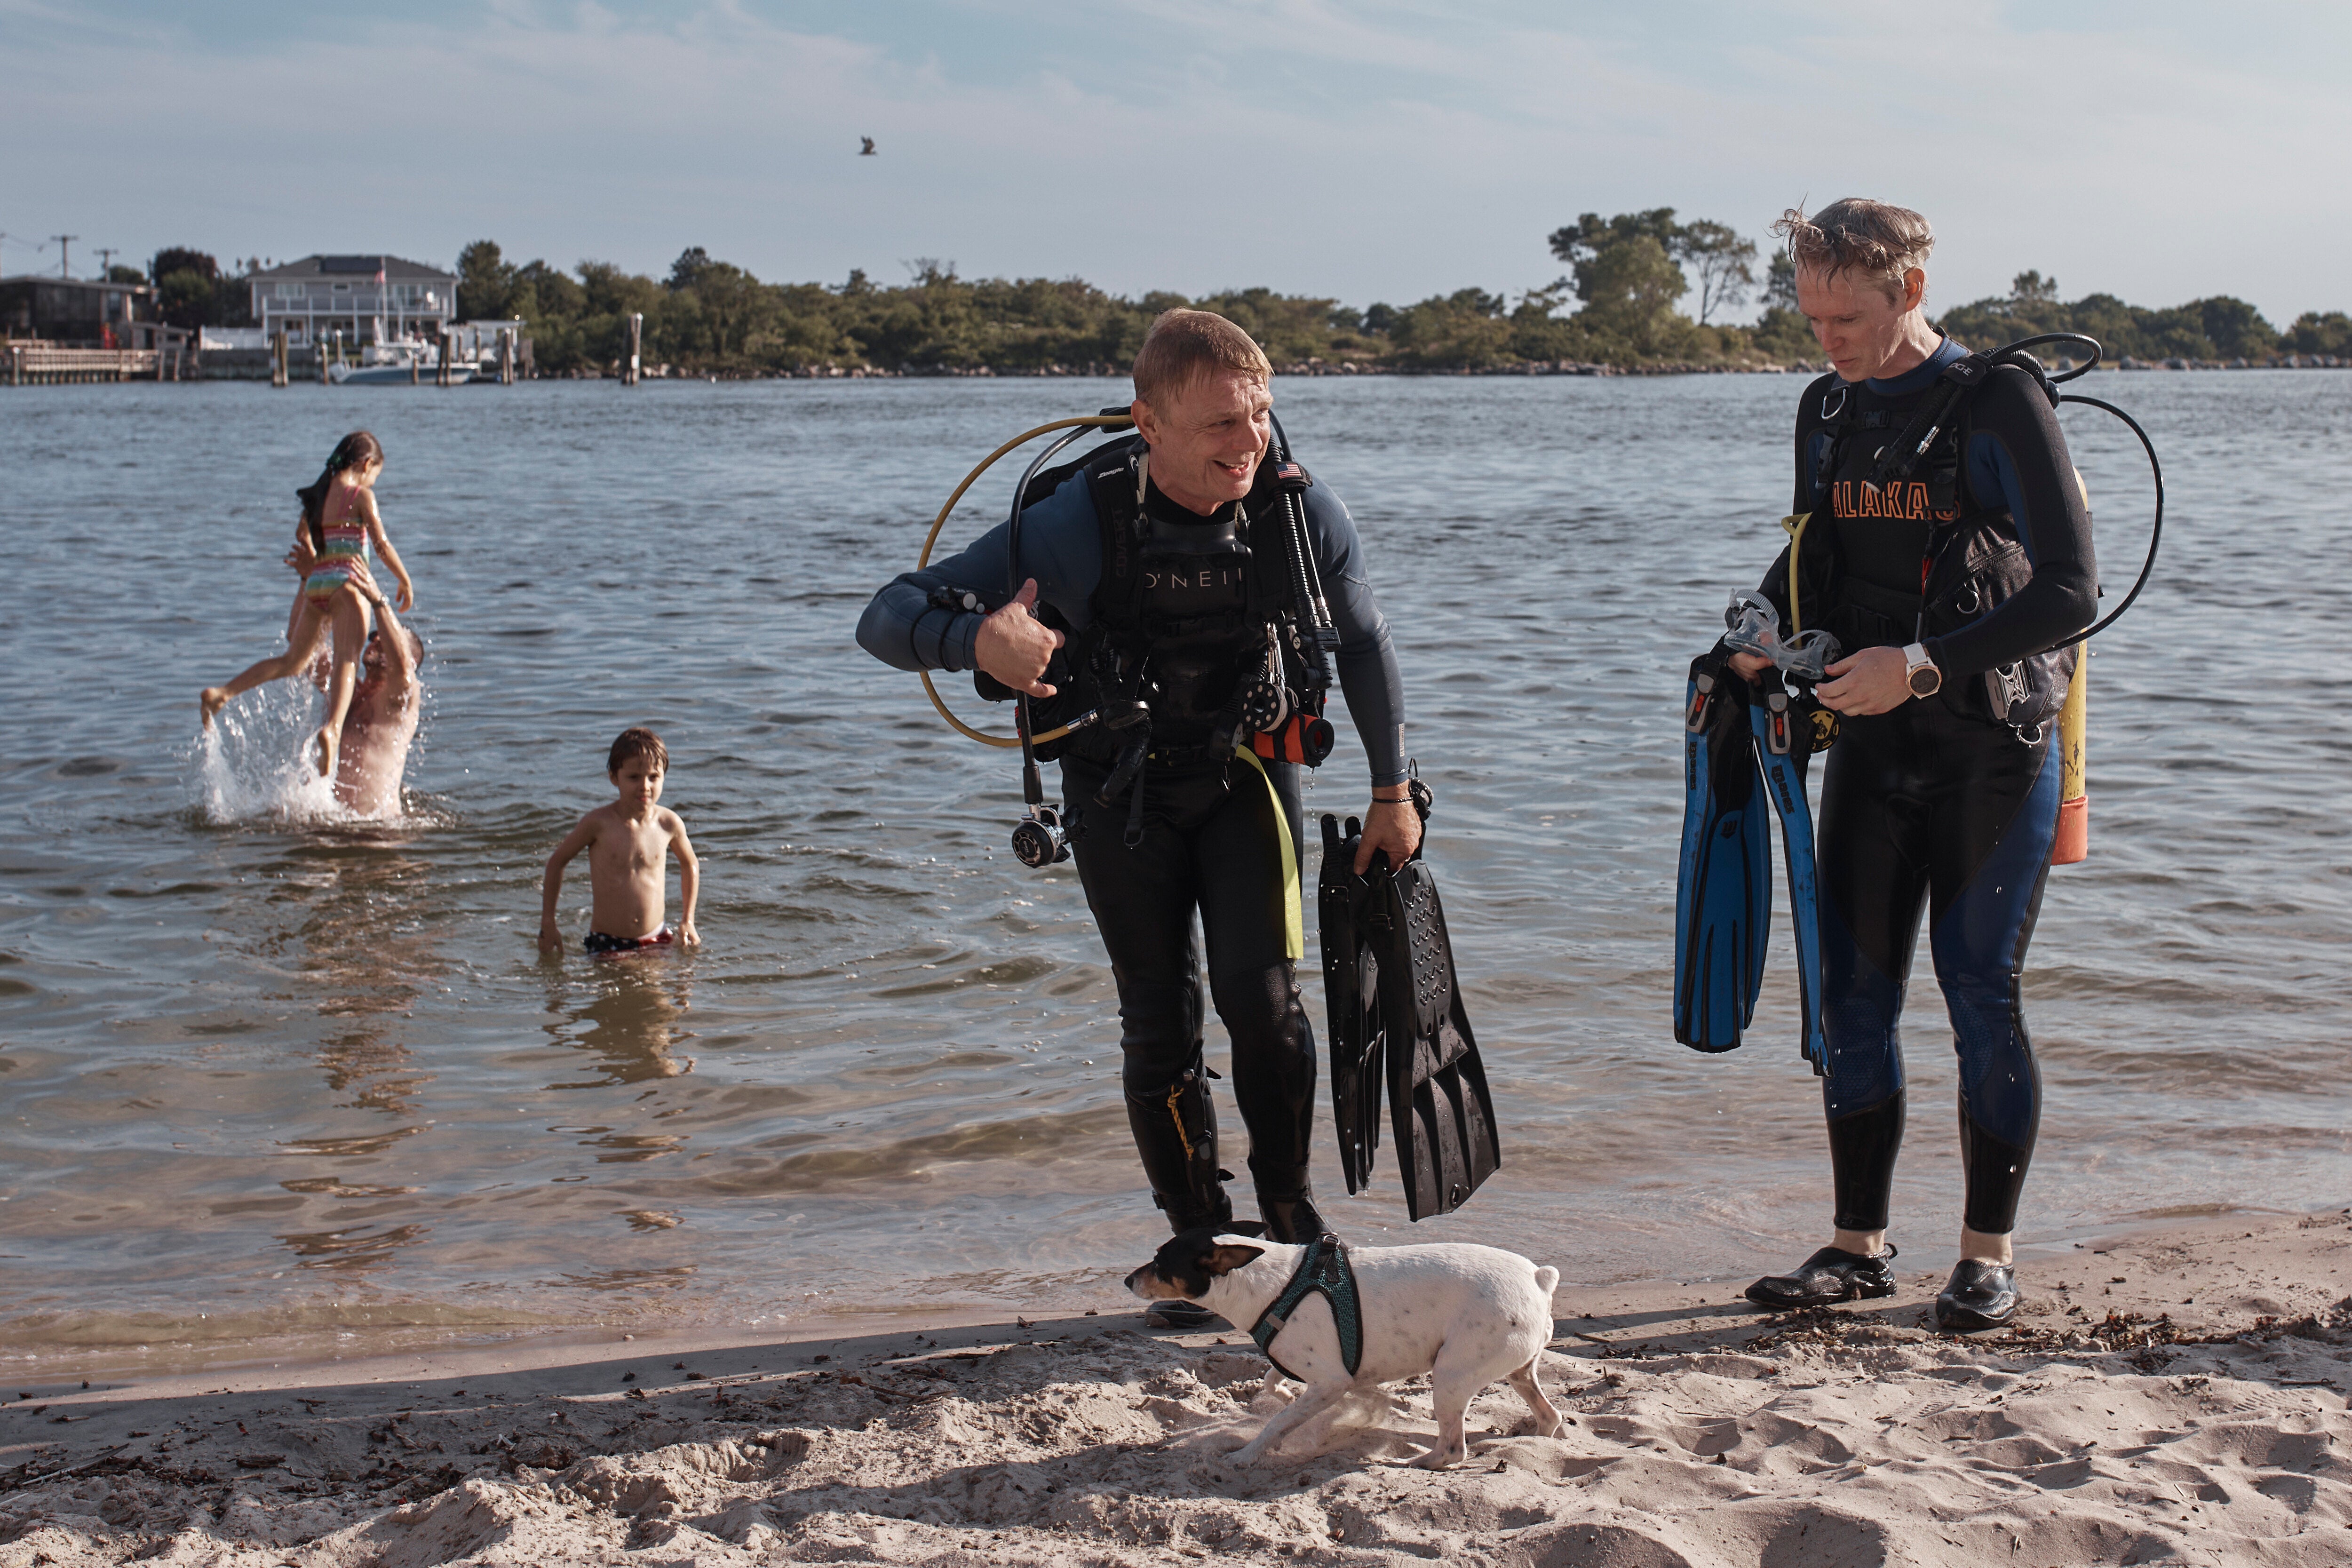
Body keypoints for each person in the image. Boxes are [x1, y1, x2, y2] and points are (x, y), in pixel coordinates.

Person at [856, 308, 1420, 1262]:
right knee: (1159, 1014)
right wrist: (976, 639)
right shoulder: (1075, 521)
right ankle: (1198, 1228)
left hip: (1249, 776)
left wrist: (1392, 789)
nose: (1249, 444)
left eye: (1261, 415)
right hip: (1119, 792)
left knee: (1265, 1001)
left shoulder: (1298, 509)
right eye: (1220, 425)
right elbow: (887, 614)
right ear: (1147, 423)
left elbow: (1365, 644)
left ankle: (1290, 1215)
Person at [1728, 199, 2097, 1331]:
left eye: (1847, 314)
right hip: (1874, 746)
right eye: (1810, 315)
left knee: (1979, 990)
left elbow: (2070, 591)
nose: (1826, 336)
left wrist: (1923, 666)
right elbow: (1818, 564)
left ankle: (1985, 1256)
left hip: (1994, 746)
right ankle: (1856, 1247)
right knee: (1852, 994)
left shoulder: (1997, 402)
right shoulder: (1826, 408)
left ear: (1911, 288)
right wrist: (1754, 631)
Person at [201, 431, 416, 780]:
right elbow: (380, 544)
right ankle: (332, 728)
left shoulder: (318, 499)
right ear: (366, 465)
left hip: (318, 581)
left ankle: (223, 693)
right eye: (376, 474)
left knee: (292, 661)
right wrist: (404, 578)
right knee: (346, 659)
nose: (374, 481)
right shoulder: (361, 496)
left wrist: (316, 563)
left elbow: (303, 537)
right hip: (349, 582)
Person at [539, 727, 702, 956]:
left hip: (657, 939)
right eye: (634, 777)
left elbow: (690, 864)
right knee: (613, 992)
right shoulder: (598, 824)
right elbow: (557, 863)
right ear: (614, 778)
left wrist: (688, 920)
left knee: (662, 992)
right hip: (608, 942)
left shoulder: (668, 823)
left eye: (654, 777)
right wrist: (548, 921)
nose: (645, 786)